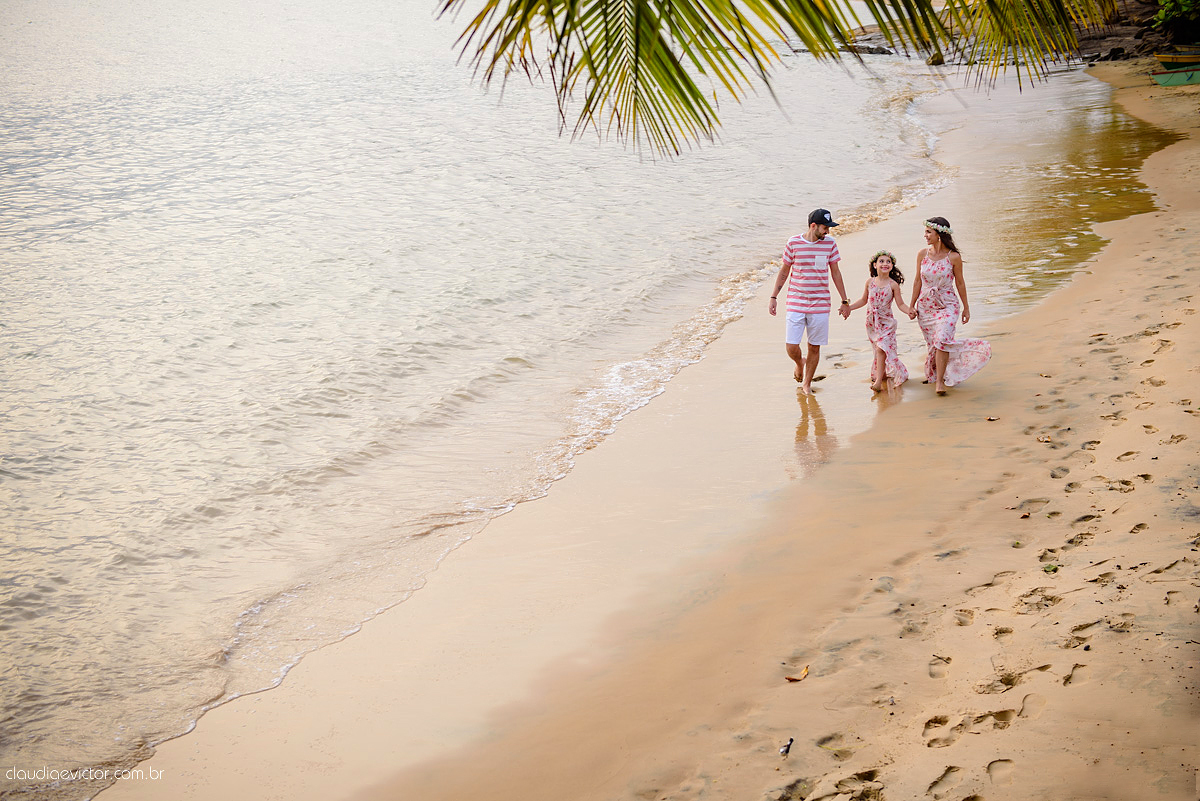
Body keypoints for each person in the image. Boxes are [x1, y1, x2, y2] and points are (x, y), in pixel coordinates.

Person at [768, 208, 851, 394]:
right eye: (825, 227)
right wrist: (774, 297)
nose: (828, 232)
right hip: (796, 301)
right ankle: (799, 362)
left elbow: (836, 273)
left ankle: (807, 383)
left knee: (814, 346)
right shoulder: (793, 242)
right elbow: (784, 271)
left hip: (821, 304)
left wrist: (845, 301)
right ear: (813, 226)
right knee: (791, 346)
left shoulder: (830, 244)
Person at [907, 217, 991, 395]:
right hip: (926, 306)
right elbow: (917, 281)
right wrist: (911, 305)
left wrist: (966, 308)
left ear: (939, 234)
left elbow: (960, 283)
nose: (925, 235)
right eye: (926, 231)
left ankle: (939, 383)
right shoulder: (922, 254)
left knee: (942, 340)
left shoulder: (953, 257)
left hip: (948, 304)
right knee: (933, 344)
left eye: (929, 232)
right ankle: (937, 372)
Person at [846, 250, 912, 392]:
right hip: (872, 322)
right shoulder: (870, 282)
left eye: (888, 261)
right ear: (875, 265)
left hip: (887, 322)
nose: (885, 264)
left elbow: (900, 304)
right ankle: (881, 375)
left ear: (892, 266)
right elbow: (863, 300)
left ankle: (877, 382)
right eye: (881, 261)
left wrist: (909, 311)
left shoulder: (893, 285)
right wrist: (849, 308)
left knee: (881, 348)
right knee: (877, 350)